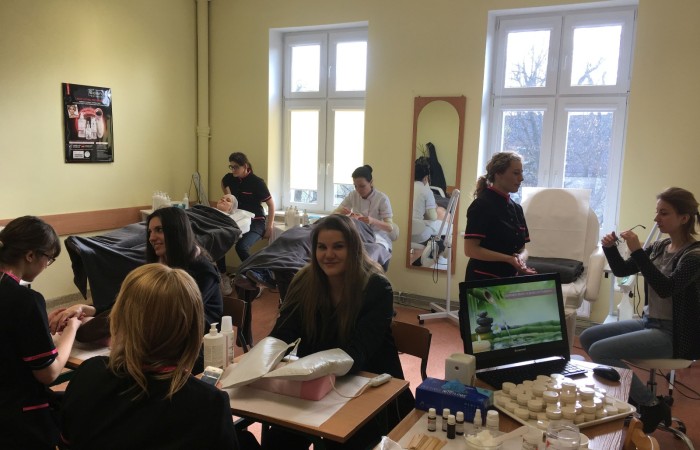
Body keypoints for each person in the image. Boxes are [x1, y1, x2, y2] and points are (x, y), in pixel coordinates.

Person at [58, 264, 253, 449]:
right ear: (193, 329)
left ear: (119, 319)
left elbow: (68, 441)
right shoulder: (208, 403)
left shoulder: (88, 374)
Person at [262, 215, 413, 450]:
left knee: (340, 443)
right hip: (318, 385)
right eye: (322, 247)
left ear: (353, 249)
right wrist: (260, 361)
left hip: (370, 388)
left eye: (338, 247)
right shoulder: (305, 281)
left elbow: (357, 354)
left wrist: (304, 370)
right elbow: (282, 334)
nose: (328, 254)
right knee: (278, 442)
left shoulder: (376, 287)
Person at [579, 187, 700, 433]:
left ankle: (650, 404)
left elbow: (666, 288)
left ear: (684, 218)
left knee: (600, 350)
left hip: (674, 334)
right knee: (587, 336)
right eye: (657, 212)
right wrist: (610, 248)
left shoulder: (694, 256)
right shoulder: (660, 246)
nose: (656, 219)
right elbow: (623, 270)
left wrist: (637, 250)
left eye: (664, 213)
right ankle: (636, 398)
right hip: (649, 321)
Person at [50, 207, 223, 373]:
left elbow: (172, 316)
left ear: (177, 232)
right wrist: (88, 308)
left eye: (159, 230)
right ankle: (79, 326)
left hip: (189, 346)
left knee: (117, 319)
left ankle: (78, 327)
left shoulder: (203, 271)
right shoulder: (159, 265)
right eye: (150, 232)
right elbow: (128, 299)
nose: (152, 238)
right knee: (116, 315)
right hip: (156, 337)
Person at [0, 216, 82, 449]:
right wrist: (71, 329)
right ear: (30, 255)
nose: (47, 265)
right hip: (17, 422)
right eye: (48, 258)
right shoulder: (25, 300)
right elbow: (49, 373)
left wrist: (41, 324)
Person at [463, 151, 535, 280]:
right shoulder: (481, 205)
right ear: (498, 174)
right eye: (516, 173)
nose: (521, 178)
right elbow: (470, 250)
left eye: (521, 173)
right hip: (482, 280)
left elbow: (523, 249)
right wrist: (508, 259)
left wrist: (520, 259)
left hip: (507, 280)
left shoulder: (517, 209)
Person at [221, 152, 275, 263]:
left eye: (236, 167)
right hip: (239, 219)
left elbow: (271, 205)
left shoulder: (257, 182)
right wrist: (229, 198)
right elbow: (223, 182)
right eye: (231, 167)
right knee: (219, 241)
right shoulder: (230, 178)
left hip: (256, 222)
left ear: (245, 166)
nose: (233, 170)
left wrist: (269, 227)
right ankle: (222, 272)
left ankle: (255, 272)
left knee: (241, 247)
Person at [334, 164, 397, 252]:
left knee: (370, 251)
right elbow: (334, 215)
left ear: (371, 182)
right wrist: (341, 212)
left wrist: (373, 221)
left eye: (362, 186)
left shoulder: (381, 198)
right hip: (358, 235)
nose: (358, 190)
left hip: (377, 238)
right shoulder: (353, 195)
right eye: (355, 186)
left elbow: (389, 227)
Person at [412, 157, 446, 253]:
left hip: (405, 230)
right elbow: (432, 216)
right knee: (445, 228)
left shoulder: (407, 187)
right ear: (426, 177)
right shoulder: (426, 191)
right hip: (419, 233)